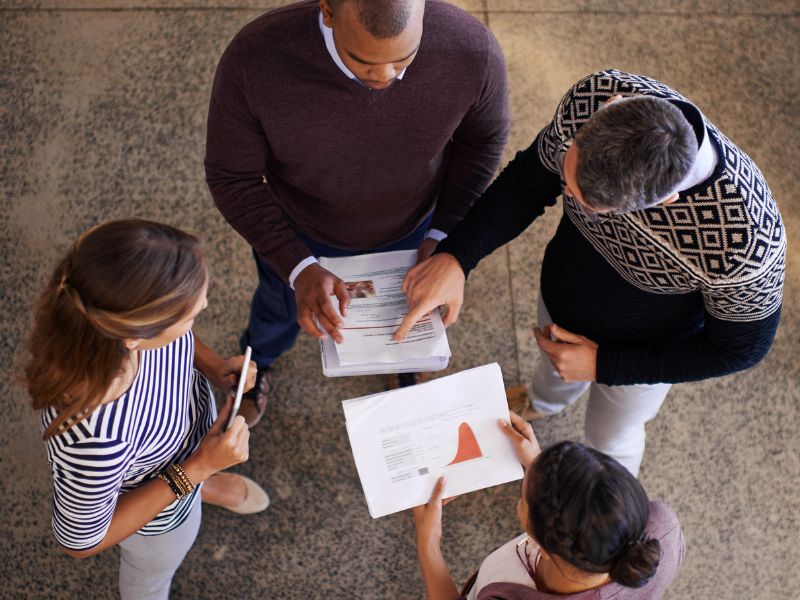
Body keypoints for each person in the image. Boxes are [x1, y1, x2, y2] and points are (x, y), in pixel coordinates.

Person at [396, 69, 786, 475]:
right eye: (568, 181)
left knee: (611, 437)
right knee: (551, 373)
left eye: (591, 208)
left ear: (667, 200)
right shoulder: (595, 94)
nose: (568, 197)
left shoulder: (746, 242)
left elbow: (740, 348)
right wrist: (458, 256)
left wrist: (605, 366)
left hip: (645, 351)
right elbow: (529, 183)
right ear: (610, 108)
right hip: (564, 291)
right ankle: (544, 401)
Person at [205, 0, 509, 424]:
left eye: (404, 59)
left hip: (415, 225)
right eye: (363, 62)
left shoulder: (473, 50)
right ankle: (260, 365)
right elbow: (230, 177)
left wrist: (444, 239)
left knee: (403, 312)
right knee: (276, 311)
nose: (386, 78)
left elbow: (482, 148)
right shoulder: (254, 59)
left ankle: (401, 365)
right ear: (328, 11)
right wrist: (297, 268)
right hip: (296, 231)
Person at [22, 220, 270, 599]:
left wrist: (215, 367)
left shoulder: (120, 313)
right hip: (157, 520)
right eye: (190, 316)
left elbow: (176, 337)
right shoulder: (97, 439)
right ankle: (197, 488)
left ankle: (200, 489)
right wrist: (200, 467)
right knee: (150, 582)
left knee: (194, 482)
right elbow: (80, 542)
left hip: (176, 452)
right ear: (136, 335)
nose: (201, 310)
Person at [412, 412, 685, 599]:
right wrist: (542, 467)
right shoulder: (663, 528)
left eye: (524, 495)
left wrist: (429, 545)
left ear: (539, 542)